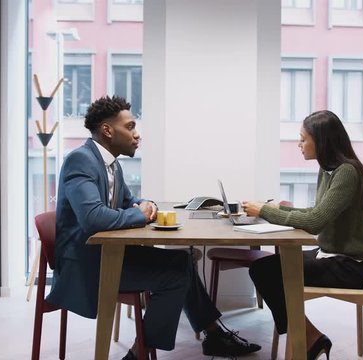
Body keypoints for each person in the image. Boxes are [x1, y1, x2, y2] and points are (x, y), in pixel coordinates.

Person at [46, 95, 261, 360]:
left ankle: (213, 334)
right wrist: (139, 215)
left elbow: (128, 201)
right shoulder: (81, 161)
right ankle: (140, 354)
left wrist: (144, 204)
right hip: (88, 265)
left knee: (181, 261)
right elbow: (93, 217)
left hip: (107, 255)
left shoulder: (111, 164)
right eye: (131, 127)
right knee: (174, 276)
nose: (137, 135)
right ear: (107, 130)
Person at [241, 110, 363, 360]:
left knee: (265, 271)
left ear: (321, 140)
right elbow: (318, 212)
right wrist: (278, 209)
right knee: (264, 269)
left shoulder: (346, 172)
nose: (299, 144)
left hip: (349, 266)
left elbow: (315, 222)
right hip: (331, 255)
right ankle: (308, 336)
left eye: (303, 138)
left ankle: (306, 339)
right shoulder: (328, 170)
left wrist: (266, 211)